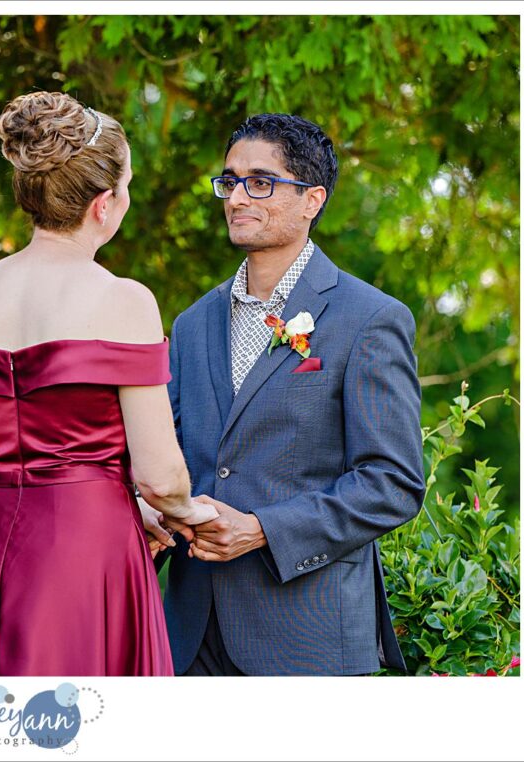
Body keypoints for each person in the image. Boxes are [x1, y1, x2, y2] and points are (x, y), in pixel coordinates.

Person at [0, 91, 216, 676]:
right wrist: (181, 509)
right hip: (87, 553)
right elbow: (160, 476)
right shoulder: (122, 299)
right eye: (126, 187)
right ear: (104, 204)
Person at [161, 112, 425, 675]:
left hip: (306, 635)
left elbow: (393, 483)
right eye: (230, 181)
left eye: (261, 181)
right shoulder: (190, 324)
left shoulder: (370, 318)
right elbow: (176, 453)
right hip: (189, 633)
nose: (237, 197)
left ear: (312, 200)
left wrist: (261, 531)